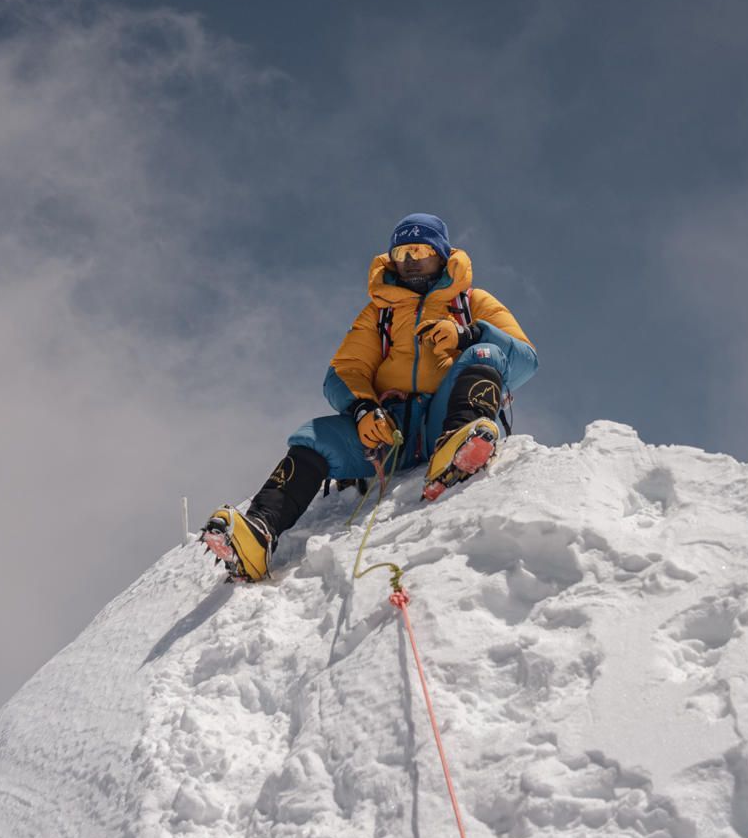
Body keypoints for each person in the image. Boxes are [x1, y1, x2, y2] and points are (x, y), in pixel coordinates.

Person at [201, 213, 539, 582]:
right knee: (314, 437)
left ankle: (458, 446)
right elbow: (345, 371)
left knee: (486, 353)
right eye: (402, 254)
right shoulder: (380, 313)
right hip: (388, 433)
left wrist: (468, 335)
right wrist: (363, 407)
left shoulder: (472, 301)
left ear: (442, 255)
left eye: (420, 251)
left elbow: (524, 360)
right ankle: (258, 534)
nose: (410, 262)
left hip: (446, 417)